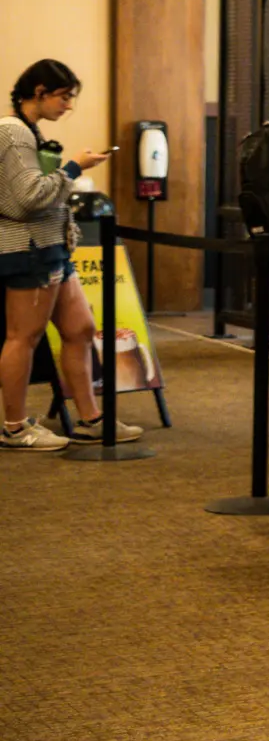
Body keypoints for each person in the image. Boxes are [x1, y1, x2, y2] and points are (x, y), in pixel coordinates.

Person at [1, 59, 135, 452]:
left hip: (52, 248)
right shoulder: (13, 134)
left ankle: (91, 418)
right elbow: (28, 199)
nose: (68, 106)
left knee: (79, 329)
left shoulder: (28, 131)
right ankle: (13, 427)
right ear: (39, 91)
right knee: (22, 337)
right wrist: (75, 167)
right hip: (30, 248)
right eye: (63, 97)